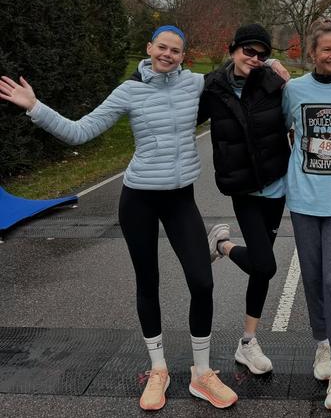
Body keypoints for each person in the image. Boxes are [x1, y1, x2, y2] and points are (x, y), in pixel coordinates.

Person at [0, 26, 238, 412]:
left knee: (202, 281)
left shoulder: (195, 84)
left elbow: (237, 73)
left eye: (176, 50)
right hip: (139, 200)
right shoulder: (129, 91)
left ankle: (202, 373)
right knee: (149, 283)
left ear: (184, 56)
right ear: (149, 48)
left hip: (181, 200)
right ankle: (158, 369)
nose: (168, 54)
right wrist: (34, 107)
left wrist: (272, 63)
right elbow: (81, 131)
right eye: (162, 47)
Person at [196, 23, 290, 375]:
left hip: (276, 186)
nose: (254, 58)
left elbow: (306, 101)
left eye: (262, 54)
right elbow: (182, 117)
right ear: (233, 48)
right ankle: (222, 247)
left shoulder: (273, 83)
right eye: (248, 51)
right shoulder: (212, 88)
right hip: (243, 190)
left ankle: (248, 342)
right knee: (265, 264)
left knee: (261, 272)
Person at [282, 19, 331, 411]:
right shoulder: (294, 90)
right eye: (326, 49)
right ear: (311, 53)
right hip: (302, 200)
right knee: (312, 278)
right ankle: (323, 345)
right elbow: (284, 126)